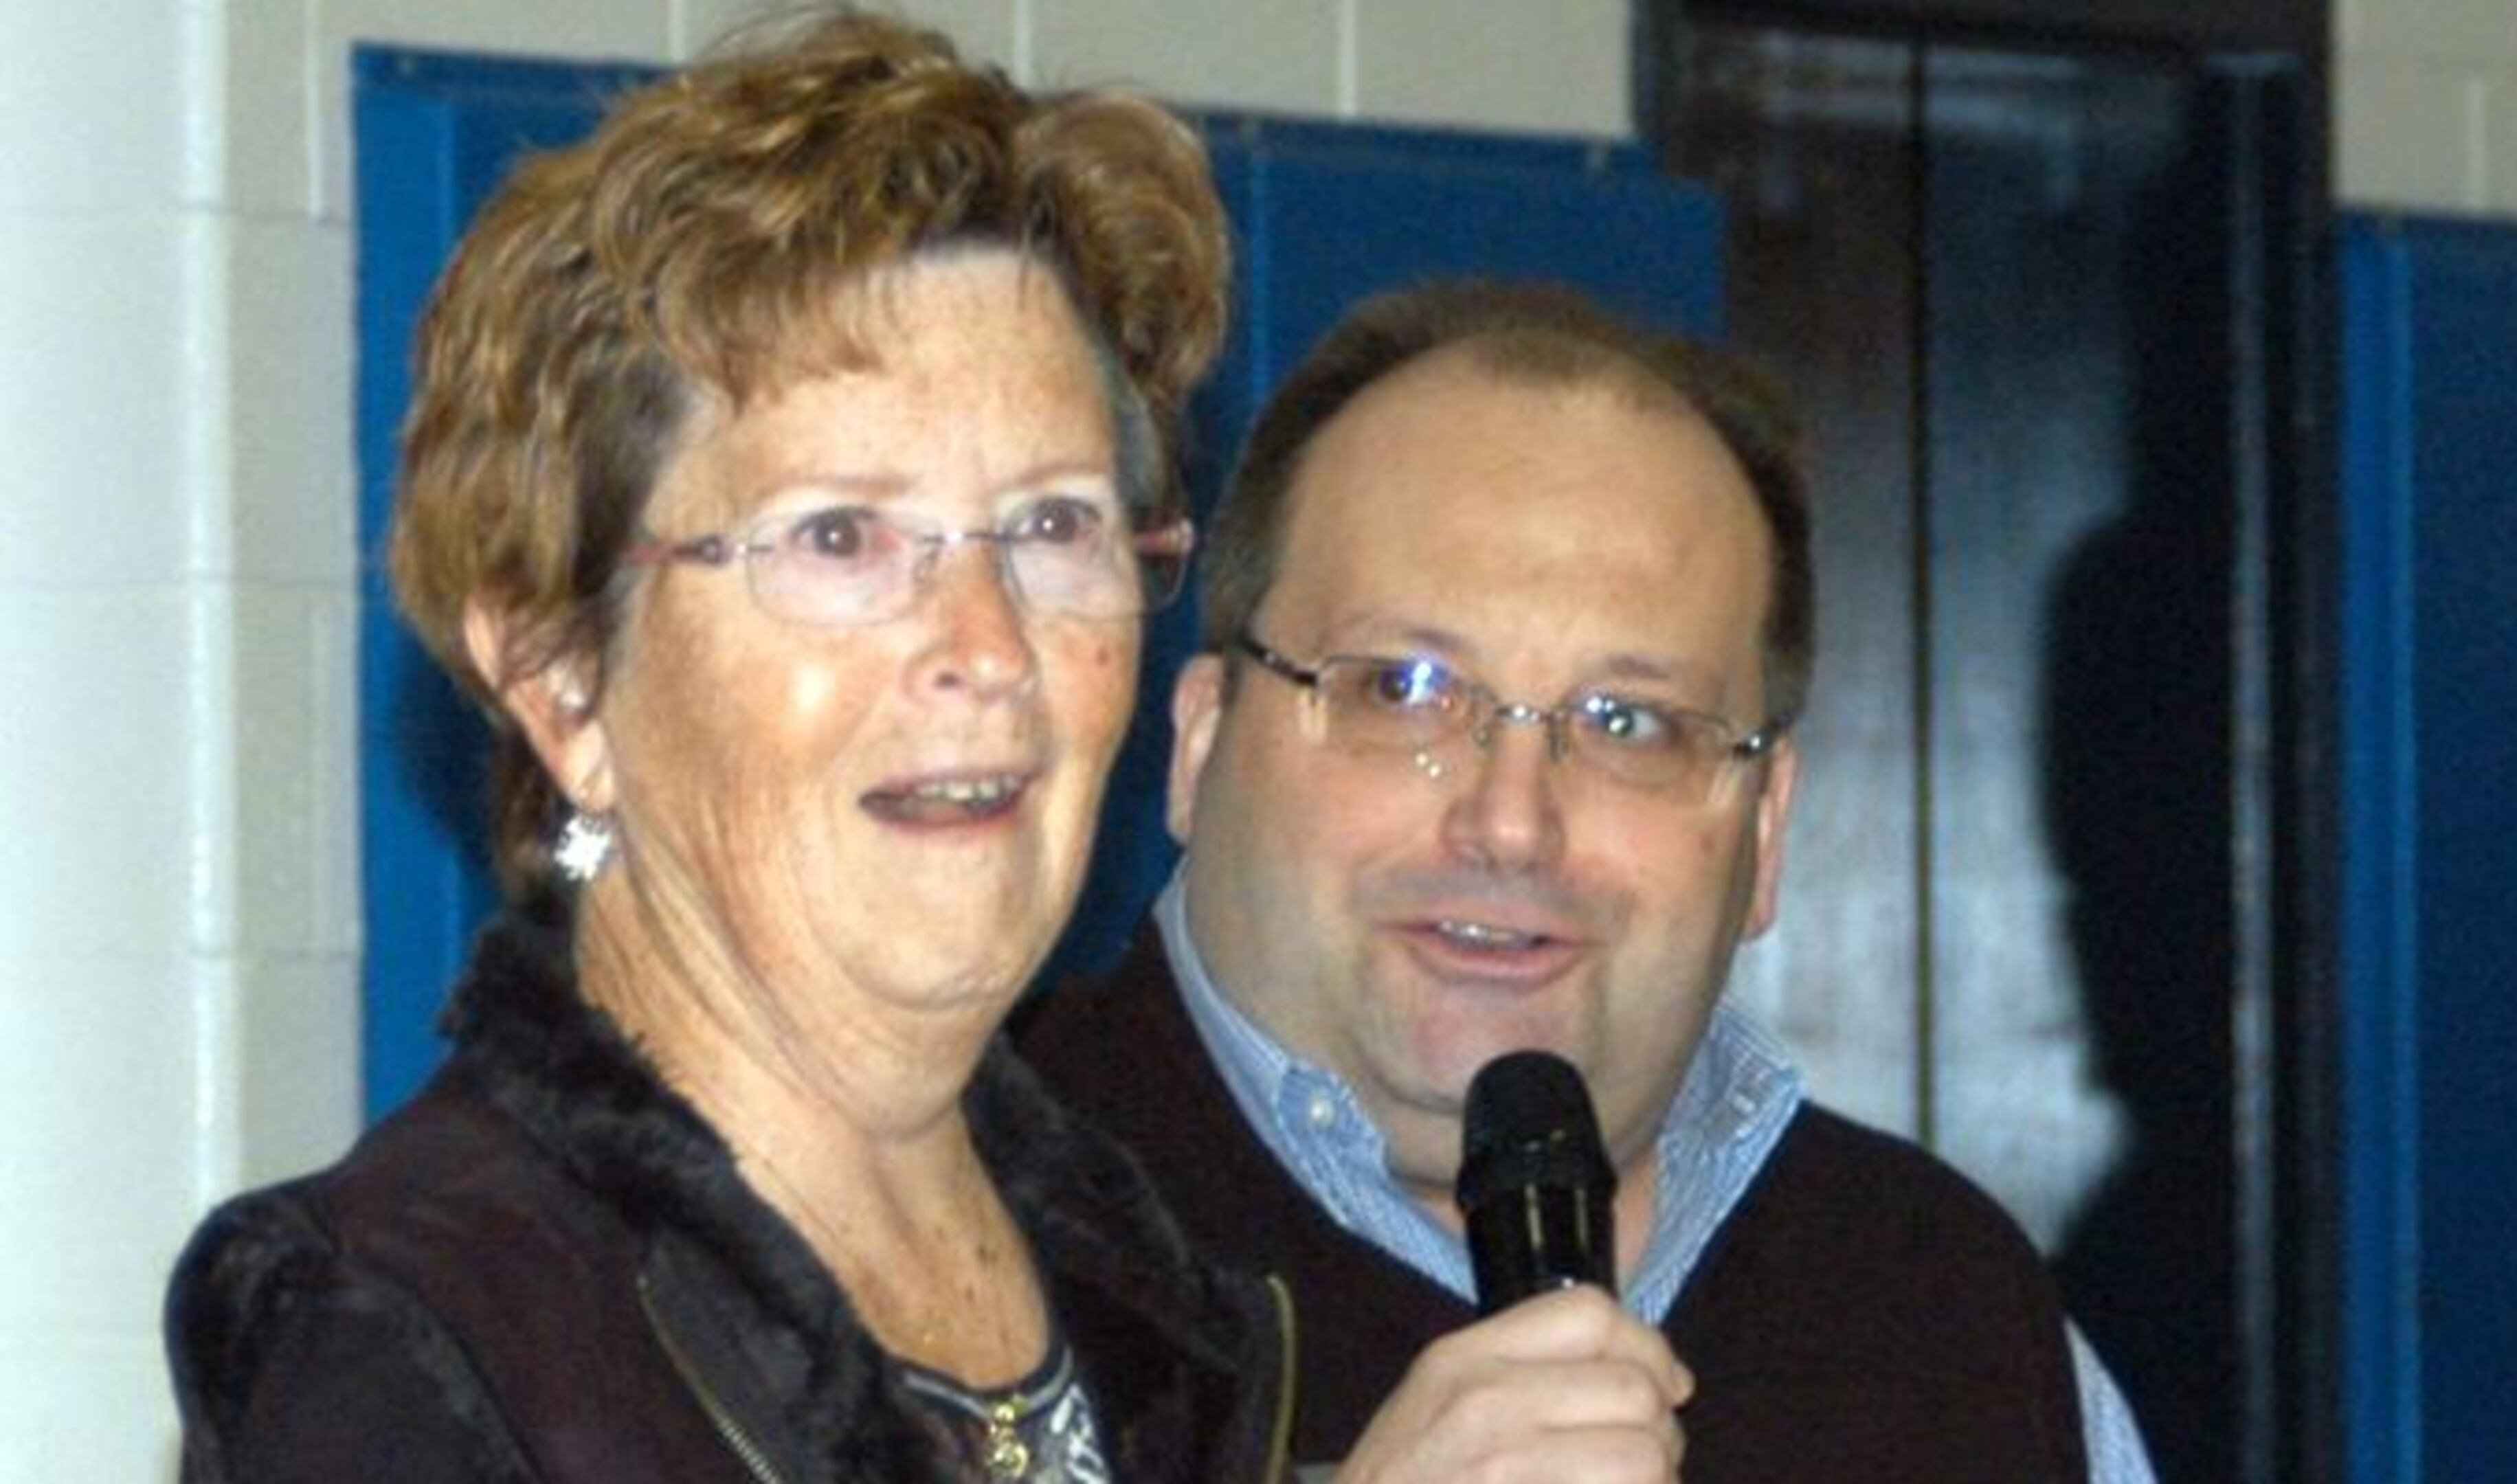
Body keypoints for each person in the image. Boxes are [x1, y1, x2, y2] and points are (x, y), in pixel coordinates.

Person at [165, 15, 1290, 1481]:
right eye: (840, 537)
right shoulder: (417, 1340)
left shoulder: (1156, 1295)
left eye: (1052, 526)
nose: (988, 646)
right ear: (566, 685)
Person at [1019, 279, 2158, 1480]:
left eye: (1631, 722)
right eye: (1405, 690)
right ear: (1198, 745)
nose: (1511, 822)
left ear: (1767, 831)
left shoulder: (1953, 1321)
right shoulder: (934, 1233)